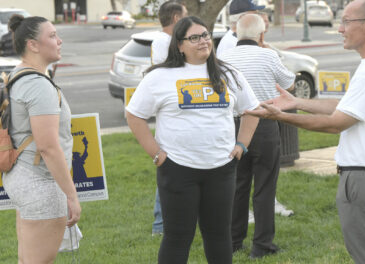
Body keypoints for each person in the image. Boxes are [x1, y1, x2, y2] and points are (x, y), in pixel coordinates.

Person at [246, 1, 365, 263]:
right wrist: (297, 103)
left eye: (346, 22)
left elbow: (336, 123)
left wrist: (282, 117)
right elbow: (347, 107)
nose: (340, 29)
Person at [126, 16, 260, 264]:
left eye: (206, 35)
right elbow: (134, 115)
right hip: (177, 169)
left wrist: (242, 145)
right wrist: (157, 154)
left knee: (219, 236)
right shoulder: (160, 77)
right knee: (177, 238)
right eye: (195, 37)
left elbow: (251, 110)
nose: (203, 41)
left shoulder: (229, 74)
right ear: (179, 45)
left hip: (221, 169)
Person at [2, 15, 81, 263]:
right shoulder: (38, 85)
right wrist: (71, 195)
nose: (60, 41)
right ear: (32, 44)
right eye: (52, 35)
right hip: (40, 182)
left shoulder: (18, 76)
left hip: (22, 176)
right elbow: (48, 147)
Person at [219, 13, 295, 259]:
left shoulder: (222, 58)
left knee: (238, 184)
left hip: (232, 126)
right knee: (264, 186)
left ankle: (233, 239)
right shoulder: (268, 55)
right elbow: (289, 83)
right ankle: (262, 245)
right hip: (264, 123)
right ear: (262, 35)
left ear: (236, 32)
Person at [150, 0, 188, 236]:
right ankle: (160, 225)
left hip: (175, 112)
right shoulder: (165, 42)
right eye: (185, 16)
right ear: (176, 18)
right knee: (168, 170)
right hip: (171, 113)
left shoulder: (163, 41)